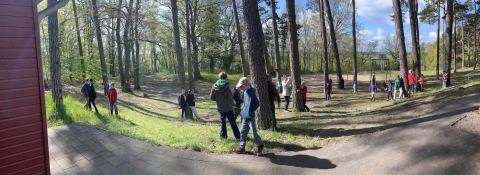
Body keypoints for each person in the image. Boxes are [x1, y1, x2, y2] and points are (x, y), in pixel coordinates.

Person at [233, 77, 265, 155]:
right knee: (243, 132)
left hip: (251, 117)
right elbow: (246, 103)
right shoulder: (244, 92)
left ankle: (261, 145)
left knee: (254, 134)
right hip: (245, 116)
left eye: (241, 86)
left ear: (247, 84)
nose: (240, 88)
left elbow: (256, 103)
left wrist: (250, 112)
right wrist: (243, 109)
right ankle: (242, 147)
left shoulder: (251, 93)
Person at [209, 72, 240, 140]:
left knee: (222, 122)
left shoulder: (214, 86)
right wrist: (233, 104)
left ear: (218, 77)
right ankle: (238, 136)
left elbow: (211, 97)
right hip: (228, 107)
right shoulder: (227, 86)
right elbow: (230, 97)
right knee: (232, 122)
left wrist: (217, 99)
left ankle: (223, 137)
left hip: (220, 107)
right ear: (225, 78)